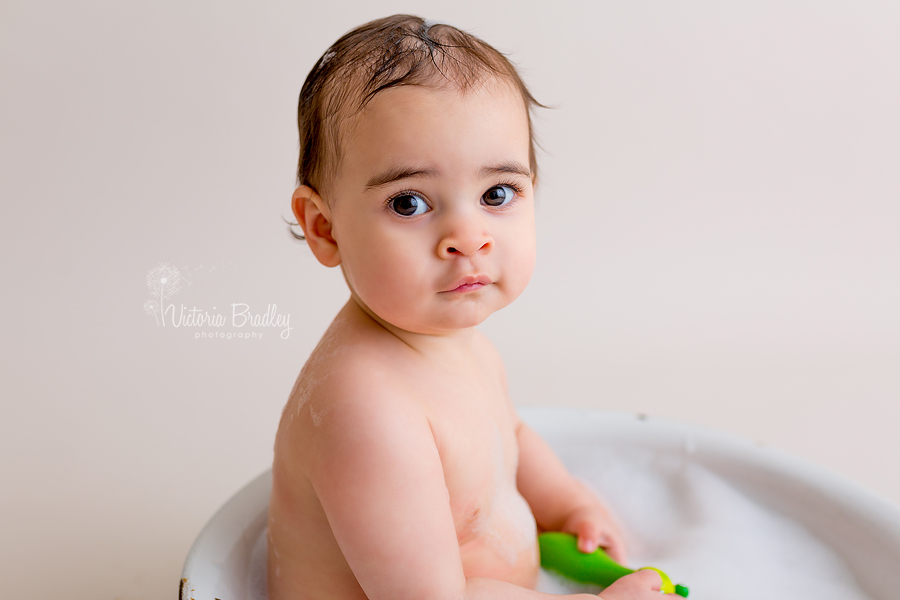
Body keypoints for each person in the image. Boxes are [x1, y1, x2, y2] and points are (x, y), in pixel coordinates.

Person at [269, 14, 663, 600]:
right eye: (409, 203)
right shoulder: (366, 415)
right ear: (325, 229)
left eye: (496, 194)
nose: (467, 236)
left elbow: (510, 437)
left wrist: (566, 503)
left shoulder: (449, 342)